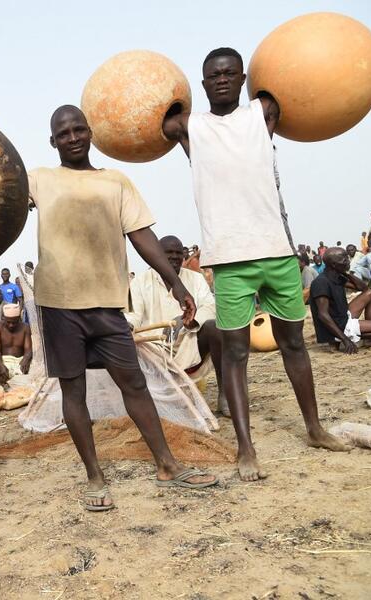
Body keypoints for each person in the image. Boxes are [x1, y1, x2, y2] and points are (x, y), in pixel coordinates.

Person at [163, 47, 350, 481]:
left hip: (277, 250)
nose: (222, 79)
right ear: (203, 83)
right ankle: (246, 447)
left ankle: (314, 428)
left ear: (243, 79)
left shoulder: (261, 113)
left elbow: (289, 88)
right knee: (235, 353)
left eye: (230, 73)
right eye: (214, 75)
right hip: (228, 259)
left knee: (294, 344)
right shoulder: (192, 127)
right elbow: (163, 122)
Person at [29, 104, 217, 511]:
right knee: (73, 390)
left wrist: (175, 283)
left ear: (90, 133)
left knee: (134, 383)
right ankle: (95, 477)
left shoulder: (115, 181)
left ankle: (166, 464)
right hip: (59, 304)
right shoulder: (39, 180)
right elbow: (0, 204)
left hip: (108, 304)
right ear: (53, 141)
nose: (73, 138)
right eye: (64, 133)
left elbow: (142, 236)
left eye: (79, 130)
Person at [126, 235, 227, 415]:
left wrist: (189, 319)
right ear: (157, 254)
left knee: (215, 328)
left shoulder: (195, 279)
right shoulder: (140, 282)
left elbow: (210, 306)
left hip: (189, 345)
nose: (174, 256)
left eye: (178, 253)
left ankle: (225, 394)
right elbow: (134, 315)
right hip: (154, 350)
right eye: (168, 252)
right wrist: (127, 325)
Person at [309, 247, 371, 353]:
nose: (348, 262)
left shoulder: (337, 277)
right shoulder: (321, 282)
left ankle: (368, 338)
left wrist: (346, 273)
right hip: (339, 326)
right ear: (334, 265)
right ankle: (344, 338)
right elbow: (323, 315)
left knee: (370, 294)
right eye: (345, 260)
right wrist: (345, 339)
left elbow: (364, 288)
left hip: (343, 317)